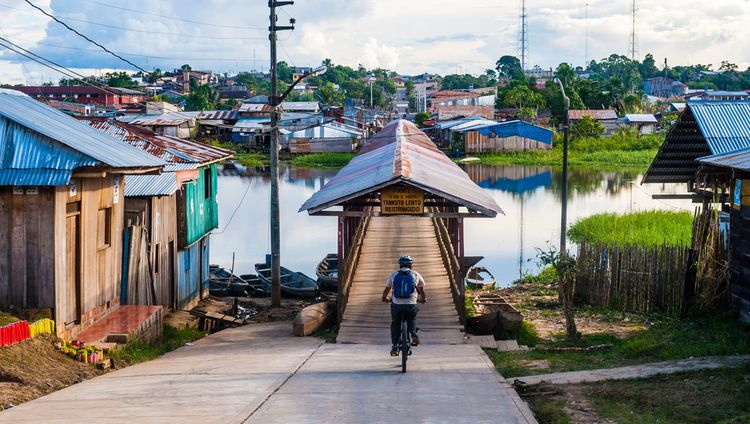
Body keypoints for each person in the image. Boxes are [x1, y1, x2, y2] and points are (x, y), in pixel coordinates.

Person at [382, 255, 426, 356]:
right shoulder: (415, 275)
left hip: (397, 304)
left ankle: (394, 346)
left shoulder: (394, 274)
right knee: (412, 319)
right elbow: (421, 290)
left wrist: (384, 298)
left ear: (400, 264)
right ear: (411, 265)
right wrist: (423, 299)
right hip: (411, 304)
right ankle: (413, 334)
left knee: (395, 323)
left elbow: (386, 289)